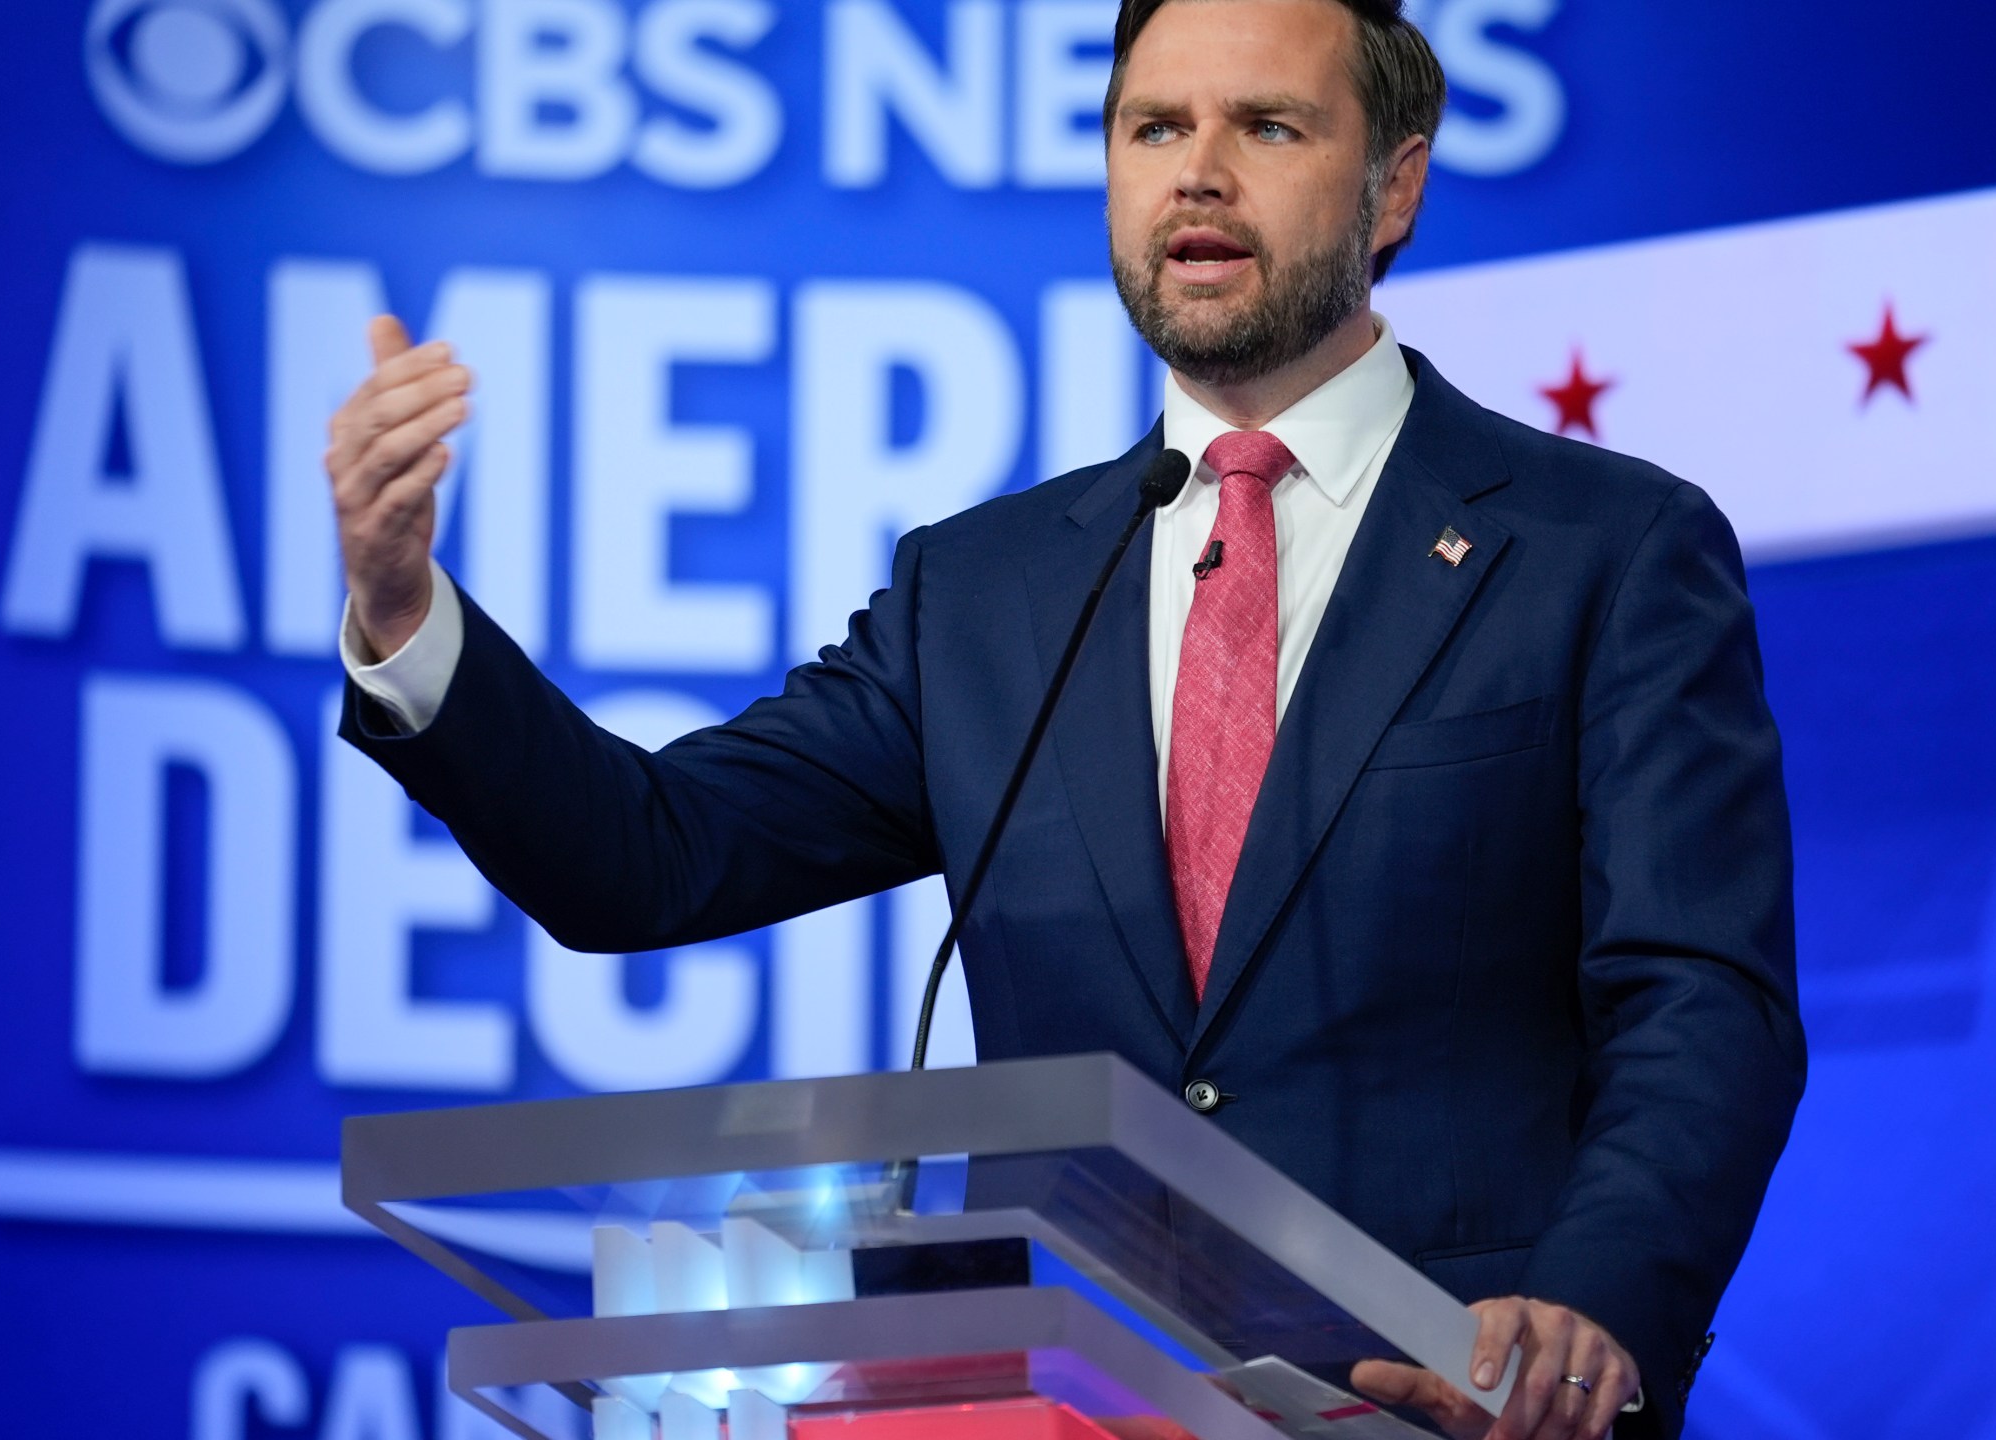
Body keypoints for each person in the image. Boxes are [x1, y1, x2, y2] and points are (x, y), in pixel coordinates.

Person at [324, 0, 1805, 1435]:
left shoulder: (1600, 549)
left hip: (1447, 1407)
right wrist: (404, 615)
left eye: (1269, 125)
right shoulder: (988, 590)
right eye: (1154, 127)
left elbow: (1699, 998)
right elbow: (644, 858)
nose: (1199, 172)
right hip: (1060, 1406)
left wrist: (1593, 1311)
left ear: (1393, 185)